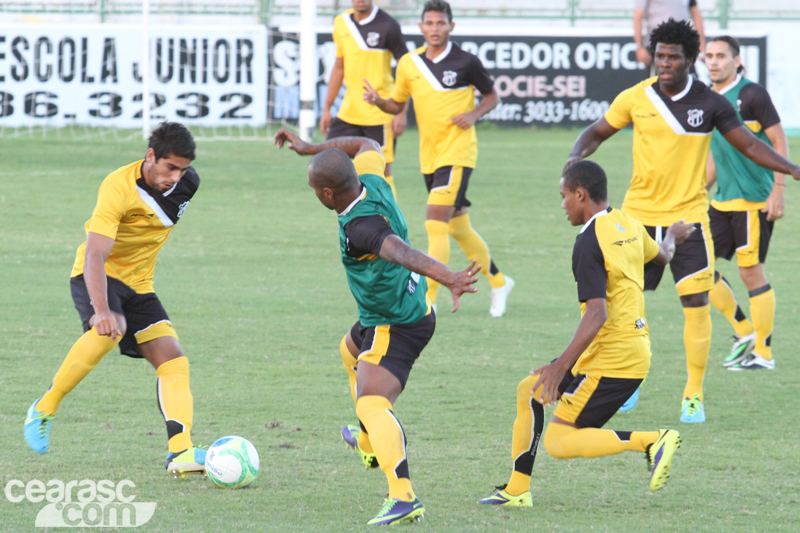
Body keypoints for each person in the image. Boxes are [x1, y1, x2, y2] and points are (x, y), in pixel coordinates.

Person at [566, 19, 800, 423]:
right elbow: (596, 132)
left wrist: (790, 168)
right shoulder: (636, 97)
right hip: (636, 221)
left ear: (690, 59)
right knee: (621, 306)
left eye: (674, 57)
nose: (666, 63)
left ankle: (693, 393)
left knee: (695, 304)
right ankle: (626, 383)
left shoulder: (711, 104)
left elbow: (748, 143)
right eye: (660, 56)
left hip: (688, 220)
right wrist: (574, 159)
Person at [274, 128, 481, 526]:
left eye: (315, 188)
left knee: (371, 402)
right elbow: (366, 144)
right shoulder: (372, 177)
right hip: (388, 311)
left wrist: (450, 277)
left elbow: (400, 251)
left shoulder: (359, 228)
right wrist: (309, 149)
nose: (315, 194)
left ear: (327, 194)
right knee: (348, 352)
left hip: (395, 322)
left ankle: (402, 495)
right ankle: (370, 442)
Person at [478, 161, 693, 507]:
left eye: (564, 196)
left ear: (581, 194)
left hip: (614, 359)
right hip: (624, 350)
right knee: (528, 391)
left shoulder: (589, 242)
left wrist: (559, 367)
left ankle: (653, 441)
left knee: (559, 442)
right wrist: (671, 234)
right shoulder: (629, 223)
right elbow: (664, 256)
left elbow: (597, 313)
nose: (562, 204)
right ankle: (517, 491)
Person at [24, 122, 206, 477]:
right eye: (170, 167)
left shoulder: (188, 184)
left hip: (140, 284)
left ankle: (181, 452)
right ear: (150, 156)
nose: (176, 177)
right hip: (97, 275)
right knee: (112, 328)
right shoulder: (117, 188)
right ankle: (44, 408)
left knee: (173, 360)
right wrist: (102, 311)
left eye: (182, 169)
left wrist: (179, 177)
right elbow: (95, 255)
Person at [363, 0, 515, 317]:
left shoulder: (466, 62)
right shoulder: (408, 64)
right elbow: (396, 104)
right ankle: (500, 282)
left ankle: (427, 299)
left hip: (458, 152)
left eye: (441, 23)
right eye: (429, 23)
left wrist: (473, 115)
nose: (435, 29)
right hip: (428, 157)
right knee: (458, 227)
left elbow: (492, 96)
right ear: (421, 27)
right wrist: (379, 101)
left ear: (451, 26)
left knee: (434, 224)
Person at [704, 36, 788, 371]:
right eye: (709, 56)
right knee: (696, 265)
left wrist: (778, 189)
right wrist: (698, 190)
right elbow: (715, 152)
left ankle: (763, 355)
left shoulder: (752, 95)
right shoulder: (708, 98)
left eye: (721, 56)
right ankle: (744, 331)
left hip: (754, 199)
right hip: (721, 200)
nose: (714, 61)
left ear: (737, 61)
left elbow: (779, 140)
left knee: (750, 272)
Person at [320, 0, 409, 198]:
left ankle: (390, 222)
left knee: (382, 173)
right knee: (329, 164)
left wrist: (401, 112)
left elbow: (407, 70)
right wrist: (327, 108)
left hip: (380, 112)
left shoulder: (388, 26)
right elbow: (339, 67)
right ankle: (355, 219)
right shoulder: (341, 22)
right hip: (349, 112)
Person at [634, 0, 706, 66]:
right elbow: (638, 16)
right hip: (658, 44)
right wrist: (639, 46)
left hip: (681, 44)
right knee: (658, 77)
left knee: (682, 76)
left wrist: (702, 43)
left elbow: (695, 13)